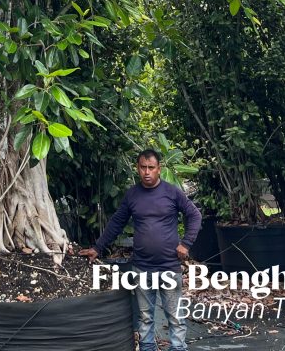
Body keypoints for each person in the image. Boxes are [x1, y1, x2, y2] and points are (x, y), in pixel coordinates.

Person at [80, 148, 201, 351]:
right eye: (143, 167)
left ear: (159, 169)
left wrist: (186, 243)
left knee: (175, 316)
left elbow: (195, 215)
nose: (147, 172)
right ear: (137, 168)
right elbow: (117, 222)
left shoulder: (172, 192)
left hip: (169, 266)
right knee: (145, 316)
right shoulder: (132, 195)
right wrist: (97, 247)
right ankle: (146, 347)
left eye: (151, 167)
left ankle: (178, 348)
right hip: (142, 266)